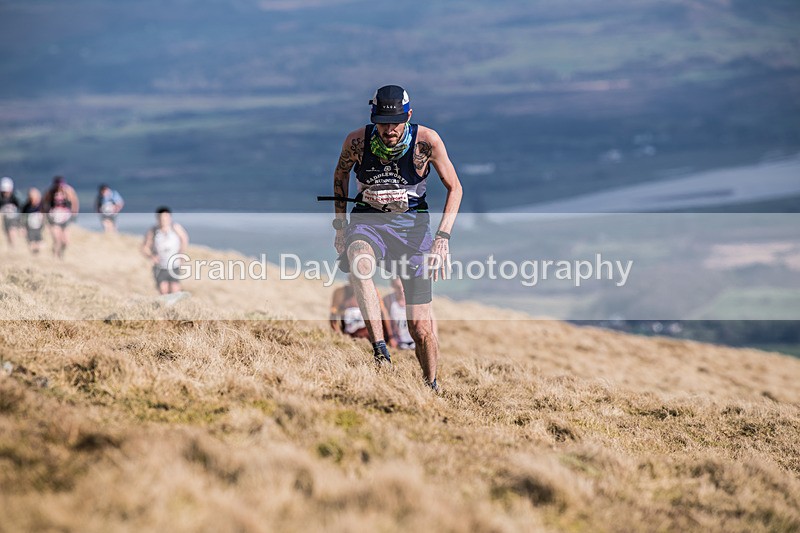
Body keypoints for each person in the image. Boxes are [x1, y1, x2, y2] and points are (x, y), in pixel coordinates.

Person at [330, 85, 463, 392]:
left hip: (413, 232)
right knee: (360, 262)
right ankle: (380, 349)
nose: (388, 129)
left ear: (409, 116)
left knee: (419, 325)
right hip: (369, 223)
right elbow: (340, 175)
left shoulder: (427, 141)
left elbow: (455, 188)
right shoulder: (357, 141)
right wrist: (340, 227)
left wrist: (442, 238)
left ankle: (431, 384)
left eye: (395, 123)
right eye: (382, 122)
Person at [141, 207, 189, 295]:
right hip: (160, 267)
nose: (163, 220)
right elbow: (145, 248)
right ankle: (165, 308)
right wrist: (151, 256)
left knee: (175, 289)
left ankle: (176, 307)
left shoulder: (175, 228)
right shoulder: (153, 231)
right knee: (164, 290)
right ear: (157, 218)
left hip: (174, 264)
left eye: (166, 217)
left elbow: (184, 239)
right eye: (161, 218)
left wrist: (181, 254)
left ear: (170, 217)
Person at [383, 277, 439, 350]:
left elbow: (431, 319)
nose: (401, 290)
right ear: (393, 286)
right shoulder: (388, 300)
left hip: (417, 342)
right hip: (398, 343)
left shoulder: (417, 298)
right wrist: (391, 337)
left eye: (403, 286)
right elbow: (385, 319)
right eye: (398, 287)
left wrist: (434, 338)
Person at [43, 176, 80, 259]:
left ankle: (61, 253)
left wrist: (74, 214)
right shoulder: (50, 192)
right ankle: (55, 256)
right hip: (54, 218)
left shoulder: (68, 191)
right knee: (57, 239)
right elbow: (44, 203)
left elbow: (74, 202)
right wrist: (45, 216)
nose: (59, 187)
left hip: (65, 218)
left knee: (66, 241)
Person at [21, 188, 45, 255]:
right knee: (31, 244)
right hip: (30, 228)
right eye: (31, 198)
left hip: (39, 229)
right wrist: (23, 228)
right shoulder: (26, 207)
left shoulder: (42, 206)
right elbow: (23, 218)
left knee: (39, 244)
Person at [0, 177, 21, 249]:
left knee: (12, 231)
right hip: (4, 219)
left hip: (13, 218)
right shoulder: (1, 199)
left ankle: (13, 246)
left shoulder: (15, 197)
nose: (6, 193)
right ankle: (10, 247)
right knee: (6, 233)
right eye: (4, 192)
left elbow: (20, 207)